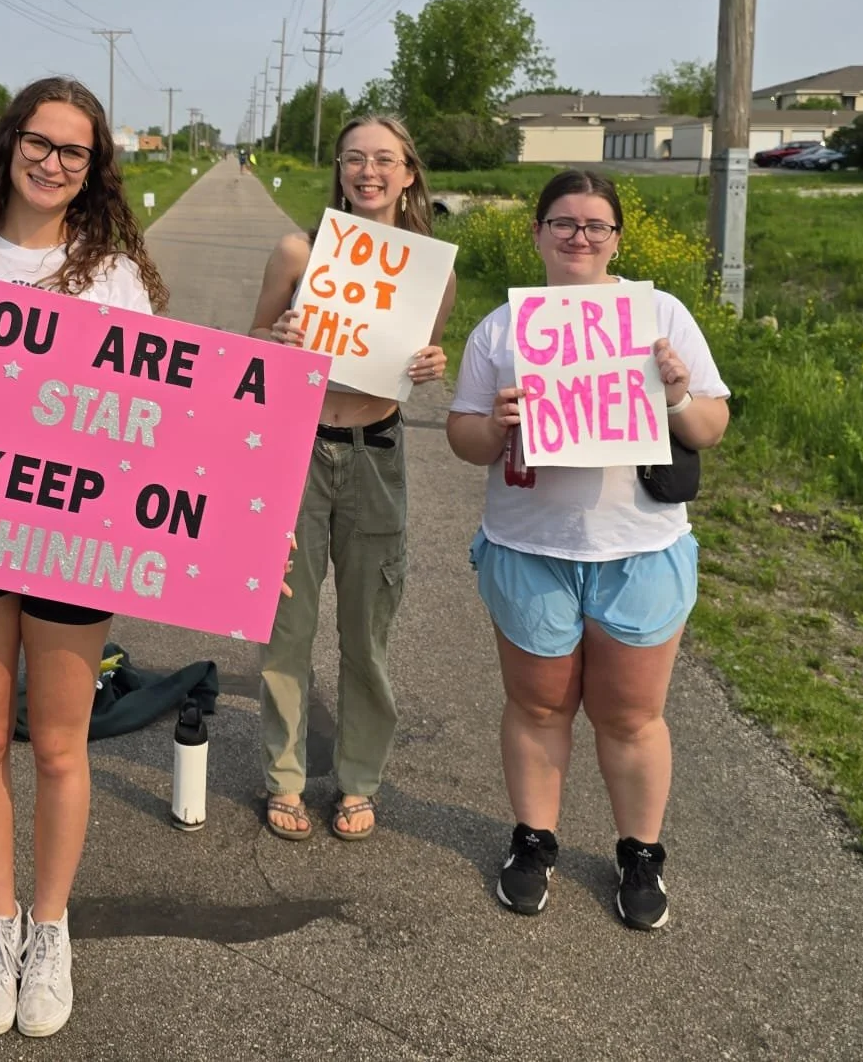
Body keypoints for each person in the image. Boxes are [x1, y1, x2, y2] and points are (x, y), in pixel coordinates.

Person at [0, 76, 166, 1039]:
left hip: (74, 535)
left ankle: (50, 930)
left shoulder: (113, 274)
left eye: (75, 152)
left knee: (59, 745)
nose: (53, 163)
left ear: (95, 168)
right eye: (39, 142)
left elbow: (158, 415)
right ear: (9, 142)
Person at [444, 169, 729, 931]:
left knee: (631, 715)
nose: (579, 237)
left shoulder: (659, 313)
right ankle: (534, 842)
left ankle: (640, 852)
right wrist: (498, 422)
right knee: (538, 705)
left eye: (596, 225)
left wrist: (673, 393)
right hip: (528, 546)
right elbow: (464, 438)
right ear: (536, 234)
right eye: (564, 223)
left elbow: (709, 426)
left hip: (638, 548)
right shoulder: (504, 330)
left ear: (617, 240)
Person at [249, 115, 455, 842]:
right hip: (298, 451)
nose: (368, 172)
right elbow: (251, 350)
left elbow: (418, 362)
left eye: (384, 160)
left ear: (408, 174)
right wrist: (276, 340)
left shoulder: (433, 269)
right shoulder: (299, 252)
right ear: (338, 170)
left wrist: (432, 368)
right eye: (354, 159)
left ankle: (359, 779)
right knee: (287, 625)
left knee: (368, 631)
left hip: (376, 453)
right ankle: (284, 777)